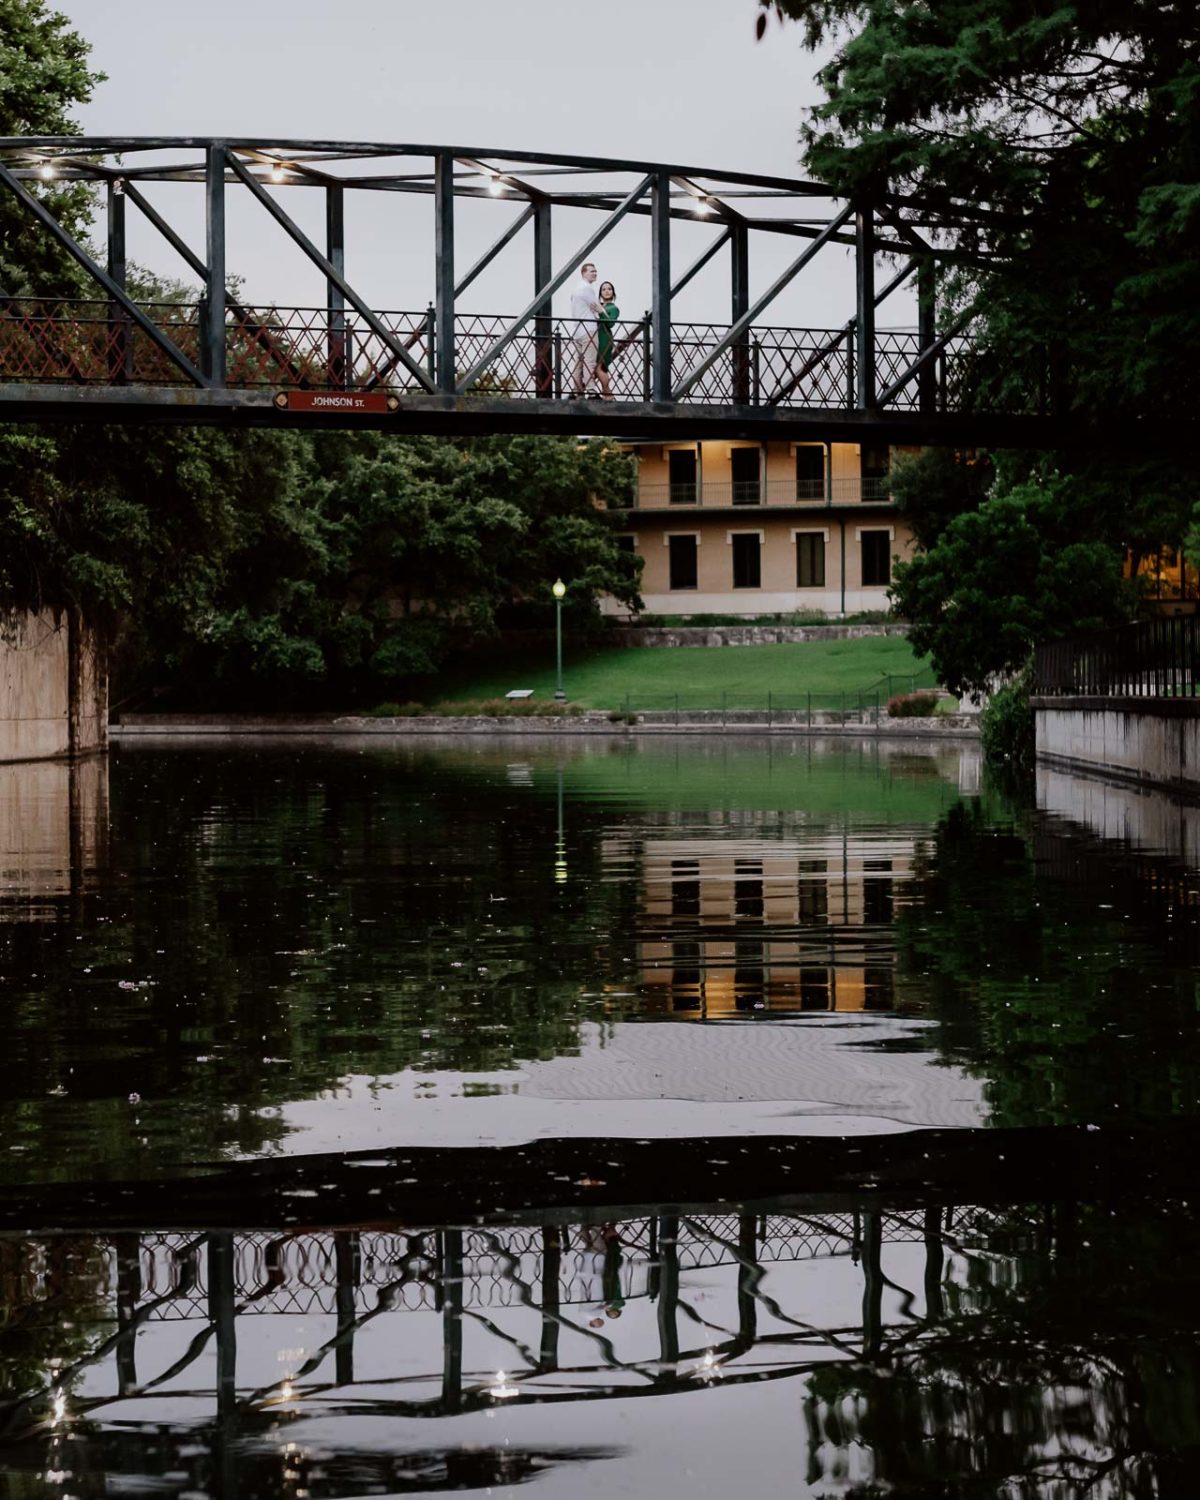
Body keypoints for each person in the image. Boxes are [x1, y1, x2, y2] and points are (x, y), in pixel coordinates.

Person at [568, 261, 602, 396]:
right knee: (589, 362)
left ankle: (576, 391)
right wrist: (605, 314)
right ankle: (592, 391)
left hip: (577, 331)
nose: (594, 273)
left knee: (579, 363)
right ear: (583, 273)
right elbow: (597, 307)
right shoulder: (587, 288)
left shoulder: (576, 290)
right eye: (591, 271)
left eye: (595, 271)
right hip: (589, 329)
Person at [594, 282, 620, 401]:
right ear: (600, 293)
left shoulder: (613, 308)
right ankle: (606, 394)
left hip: (604, 339)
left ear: (613, 292)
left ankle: (608, 394)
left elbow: (610, 323)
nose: (606, 291)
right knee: (596, 367)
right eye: (603, 289)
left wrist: (600, 312)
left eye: (609, 289)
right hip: (595, 339)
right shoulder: (600, 306)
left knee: (599, 367)